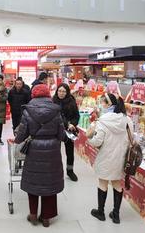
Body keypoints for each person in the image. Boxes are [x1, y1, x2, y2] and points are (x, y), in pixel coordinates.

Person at [14, 83, 65, 228]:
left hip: (34, 149)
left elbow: (22, 134)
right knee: (49, 183)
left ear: (33, 94)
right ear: (48, 94)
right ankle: (46, 217)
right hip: (52, 150)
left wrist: (16, 140)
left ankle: (33, 215)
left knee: (34, 183)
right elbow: (61, 134)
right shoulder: (56, 110)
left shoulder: (28, 110)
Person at [86, 93, 131, 224]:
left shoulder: (103, 120)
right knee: (117, 183)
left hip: (105, 157)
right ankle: (116, 215)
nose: (101, 105)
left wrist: (89, 137)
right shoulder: (126, 119)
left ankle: (101, 212)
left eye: (102, 102)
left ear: (108, 104)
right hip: (120, 158)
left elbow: (97, 141)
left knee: (103, 183)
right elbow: (131, 138)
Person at [53, 83, 80, 182]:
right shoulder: (53, 101)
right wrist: (66, 124)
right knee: (56, 152)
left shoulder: (71, 101)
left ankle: (70, 171)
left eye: (64, 91)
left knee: (70, 151)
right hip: (56, 129)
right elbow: (55, 116)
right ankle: (56, 171)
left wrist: (73, 124)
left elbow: (76, 116)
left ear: (67, 92)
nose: (61, 93)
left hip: (69, 130)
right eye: (59, 91)